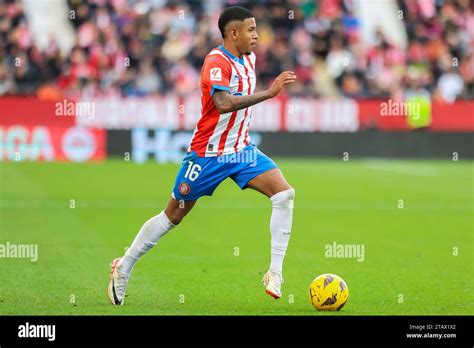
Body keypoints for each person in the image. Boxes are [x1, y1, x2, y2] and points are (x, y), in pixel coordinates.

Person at [108, 6, 297, 305]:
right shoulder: (215, 61)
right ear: (233, 32)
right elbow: (222, 103)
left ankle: (275, 273)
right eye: (251, 29)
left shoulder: (250, 58)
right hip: (207, 154)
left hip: (241, 151)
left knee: (284, 195)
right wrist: (269, 93)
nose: (257, 35)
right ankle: (125, 265)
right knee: (173, 216)